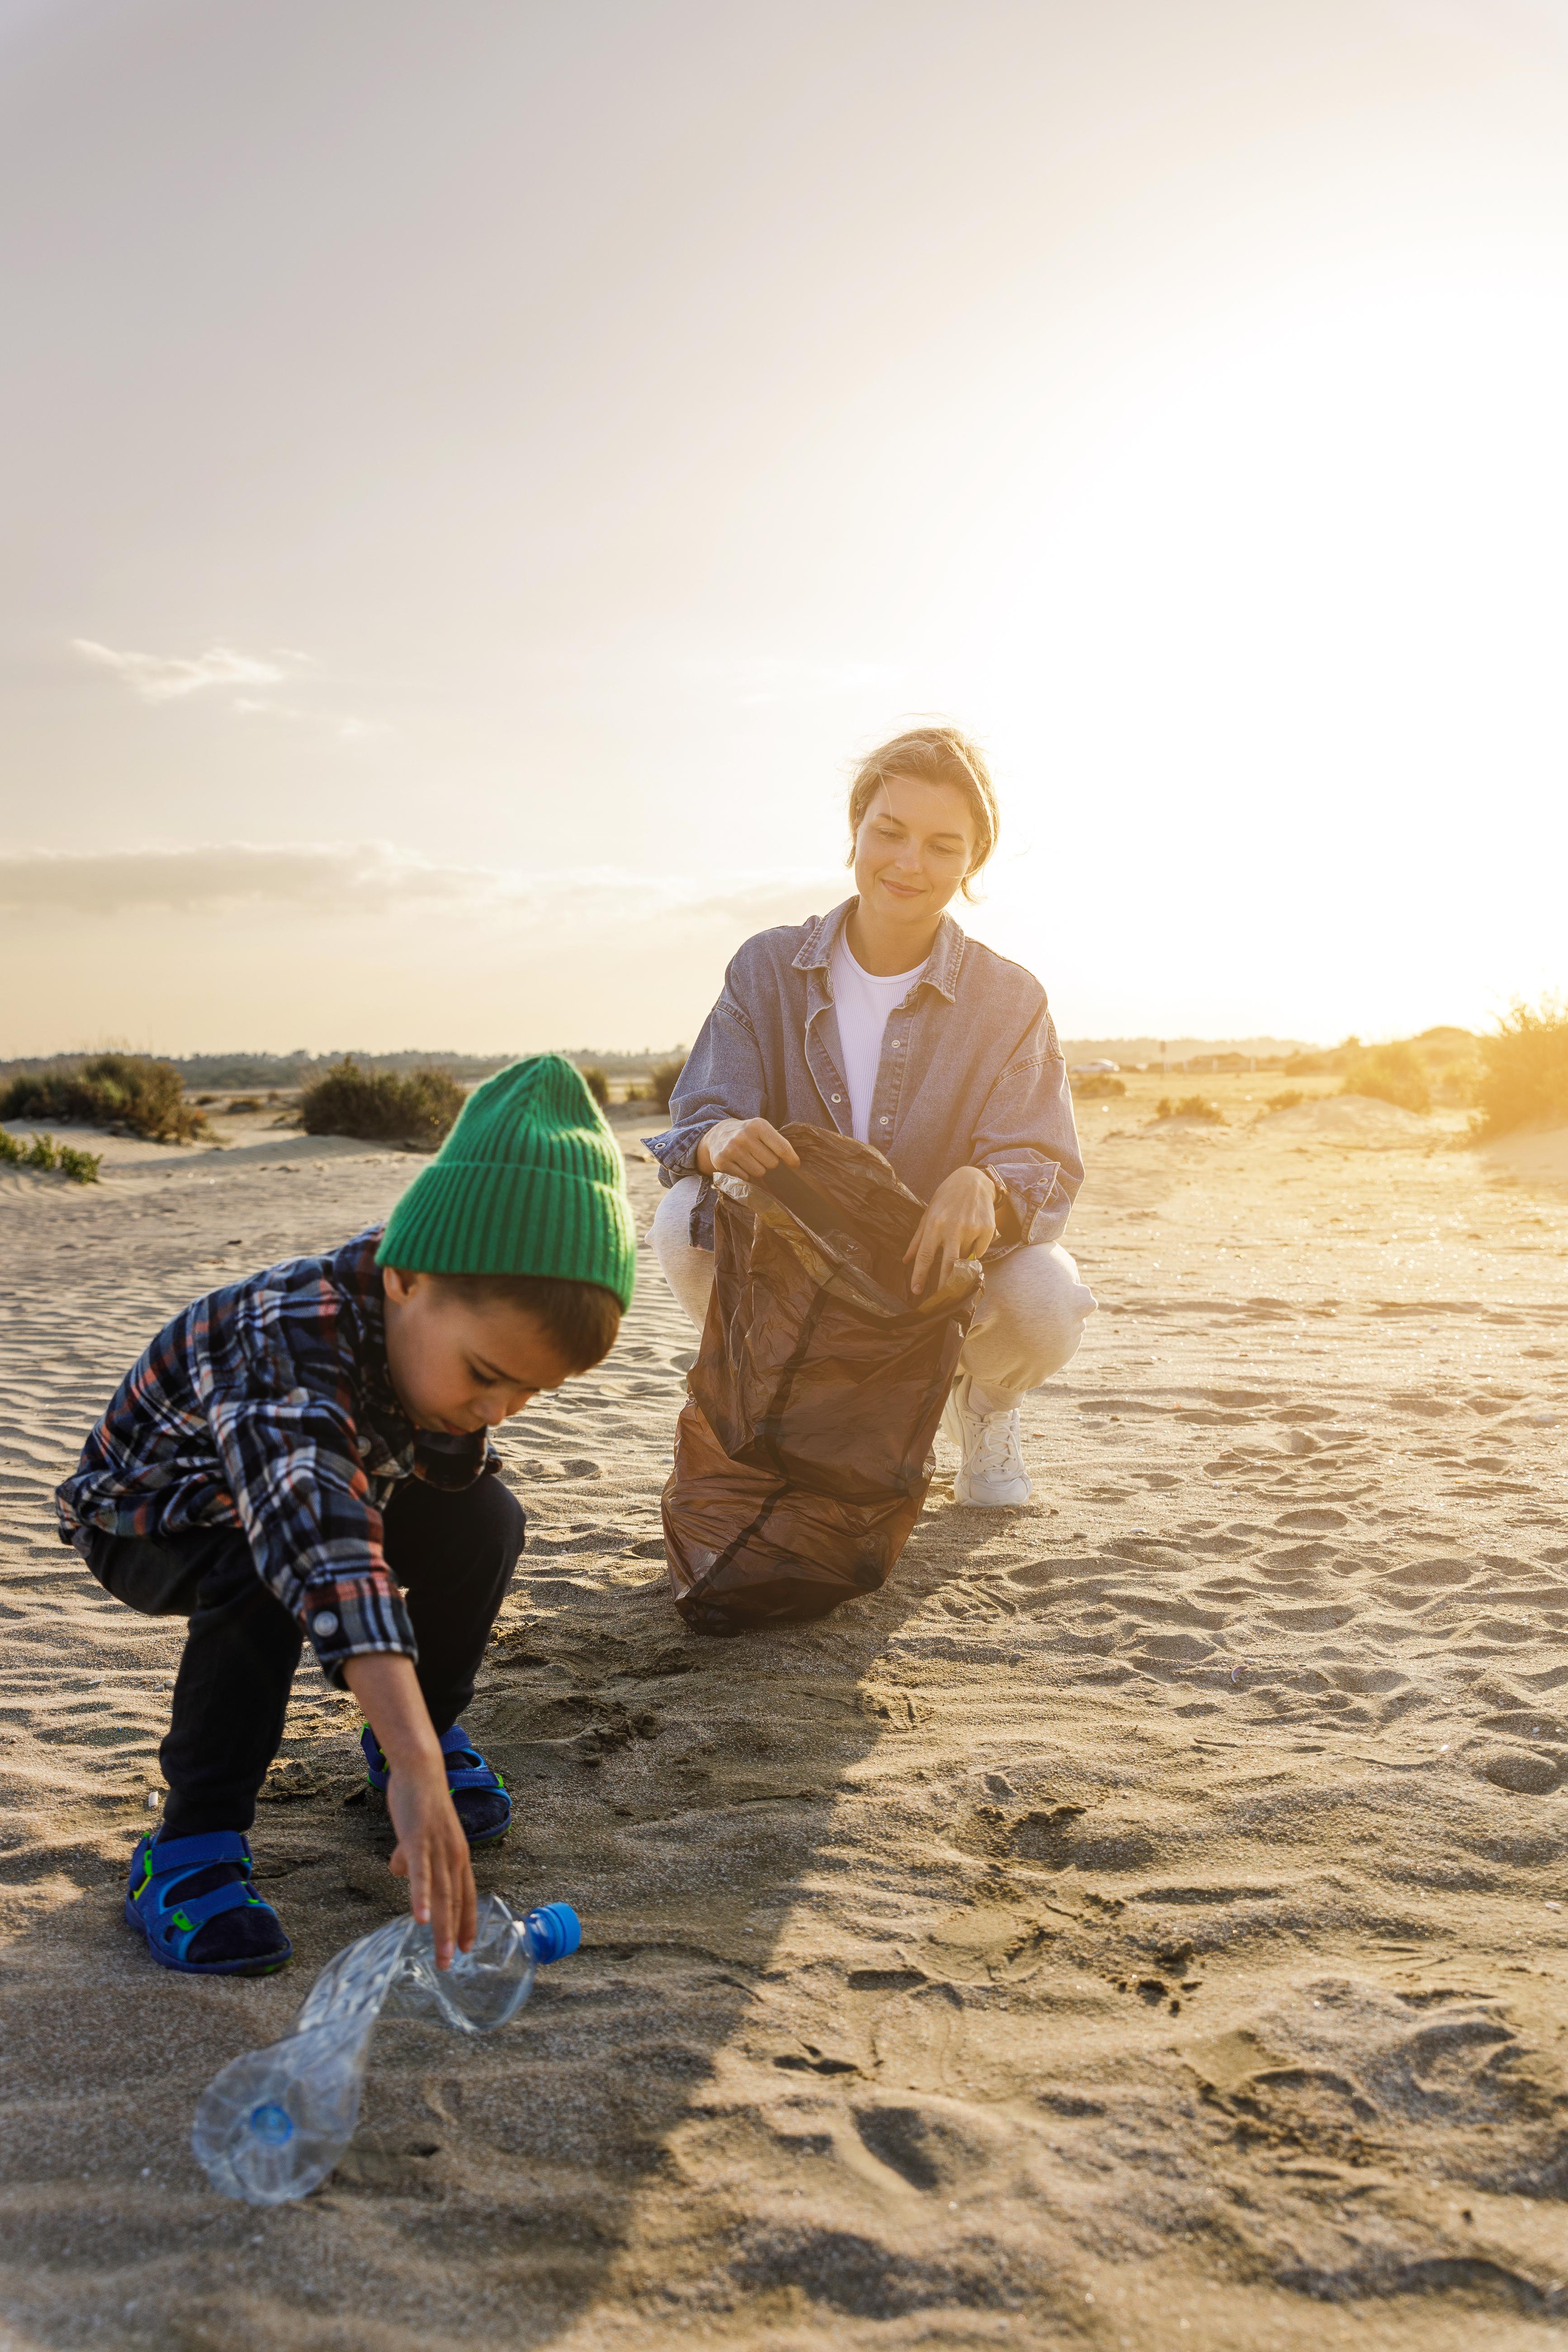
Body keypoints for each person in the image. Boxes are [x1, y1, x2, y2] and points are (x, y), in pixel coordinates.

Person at [54, 1056, 635, 1978]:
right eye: (488, 1374)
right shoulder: (289, 1331)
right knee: (261, 1562)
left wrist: (411, 1741)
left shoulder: (437, 1343)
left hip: (335, 1494)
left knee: (486, 1518)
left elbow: (416, 1491)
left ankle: (419, 1731)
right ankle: (191, 1843)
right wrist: (416, 1772)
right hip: (153, 1514)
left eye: (533, 1389)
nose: (502, 1406)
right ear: (405, 1277)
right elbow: (318, 1540)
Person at [646, 726, 1094, 1507]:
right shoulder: (766, 967)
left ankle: (982, 1409)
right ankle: (781, 1391)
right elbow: (702, 1115)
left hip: (936, 1268)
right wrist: (718, 1137)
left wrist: (984, 1185)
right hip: (803, 1259)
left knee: (1046, 1300)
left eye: (941, 846)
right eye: (889, 833)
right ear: (856, 828)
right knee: (683, 1218)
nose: (908, 863)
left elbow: (1042, 1157)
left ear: (971, 861)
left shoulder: (1010, 998)